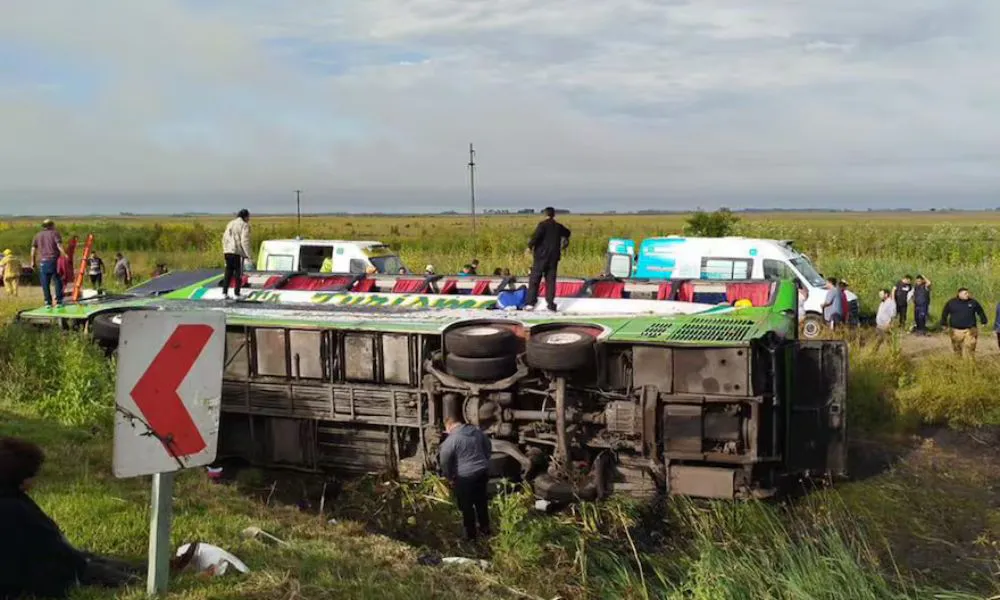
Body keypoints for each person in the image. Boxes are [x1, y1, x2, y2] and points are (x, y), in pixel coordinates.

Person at [0, 436, 144, 598]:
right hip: (30, 576)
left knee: (94, 561)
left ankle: (142, 569)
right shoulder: (15, 509)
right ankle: (140, 577)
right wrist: (83, 564)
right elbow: (50, 546)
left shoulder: (12, 498)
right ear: (21, 478)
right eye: (33, 475)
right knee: (97, 568)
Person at [438, 415, 491, 541]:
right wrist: (483, 461)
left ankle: (471, 535)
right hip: (482, 472)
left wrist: (449, 476)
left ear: (449, 425)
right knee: (481, 502)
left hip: (465, 476)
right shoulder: (477, 432)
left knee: (466, 506)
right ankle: (485, 529)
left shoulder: (452, 440)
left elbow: (444, 461)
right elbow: (488, 446)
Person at [525, 206, 571, 311]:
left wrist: (529, 246)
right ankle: (550, 304)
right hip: (554, 257)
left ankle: (531, 303)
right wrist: (565, 239)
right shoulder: (558, 226)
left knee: (535, 279)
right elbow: (568, 232)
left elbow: (536, 237)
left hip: (541, 257)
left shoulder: (542, 225)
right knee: (550, 281)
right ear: (554, 215)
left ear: (545, 214)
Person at [939, 288, 987, 358]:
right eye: (965, 293)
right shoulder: (951, 302)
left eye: (968, 293)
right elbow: (945, 313)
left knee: (970, 348)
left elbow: (980, 311)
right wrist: (943, 323)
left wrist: (983, 321)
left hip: (970, 330)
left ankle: (970, 365)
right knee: (957, 349)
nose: (967, 295)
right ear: (959, 294)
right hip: (956, 330)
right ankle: (959, 364)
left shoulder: (973, 302)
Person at [30, 219, 67, 308]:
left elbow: (33, 249)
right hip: (54, 260)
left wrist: (32, 261)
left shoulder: (37, 235)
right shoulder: (55, 233)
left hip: (43, 261)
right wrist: (65, 254)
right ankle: (59, 301)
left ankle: (47, 302)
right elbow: (59, 246)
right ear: (52, 225)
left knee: (45, 283)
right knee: (57, 280)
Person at [221, 209, 253, 298]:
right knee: (238, 273)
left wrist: (225, 250)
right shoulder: (244, 225)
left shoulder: (230, 223)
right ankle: (237, 293)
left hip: (227, 251)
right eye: (248, 217)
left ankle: (225, 292)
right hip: (236, 252)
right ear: (245, 217)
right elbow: (244, 241)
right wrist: (248, 255)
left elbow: (224, 238)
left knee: (228, 272)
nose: (249, 219)